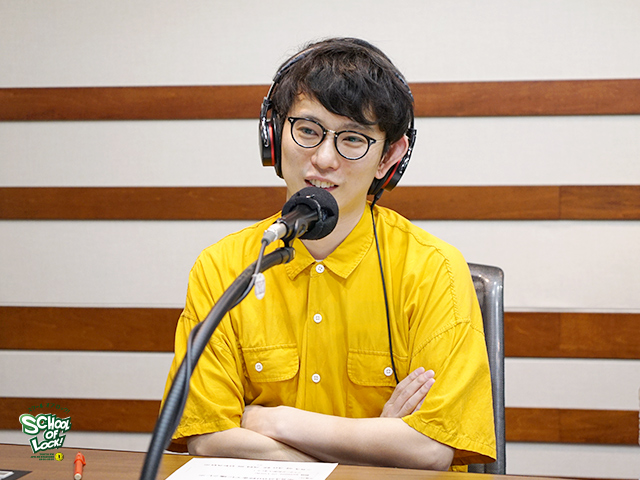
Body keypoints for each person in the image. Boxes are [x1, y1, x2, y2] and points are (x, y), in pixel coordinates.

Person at [162, 37, 496, 471]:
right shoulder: (223, 267)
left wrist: (274, 421)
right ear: (272, 135)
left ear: (389, 158)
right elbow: (207, 439)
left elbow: (431, 451)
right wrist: (374, 446)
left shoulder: (434, 270)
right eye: (307, 130)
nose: (322, 159)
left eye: (353, 139)